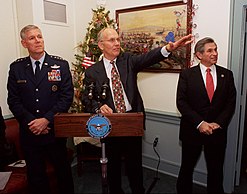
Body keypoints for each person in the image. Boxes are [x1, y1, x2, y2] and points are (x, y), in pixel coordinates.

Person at [82, 27, 193, 194]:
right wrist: (98, 107)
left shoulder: (128, 60)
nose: (117, 43)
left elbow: (148, 58)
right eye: (112, 40)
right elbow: (86, 98)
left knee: (134, 164)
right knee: (113, 166)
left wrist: (168, 48)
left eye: (118, 39)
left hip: (132, 120)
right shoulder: (92, 71)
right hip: (110, 123)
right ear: (100, 45)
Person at [7, 25, 74, 194]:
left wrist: (45, 120)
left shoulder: (60, 65)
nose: (37, 41)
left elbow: (66, 97)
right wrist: (33, 123)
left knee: (63, 173)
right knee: (36, 176)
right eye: (32, 38)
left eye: (39, 36)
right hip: (30, 133)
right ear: (24, 43)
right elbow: (13, 100)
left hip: (54, 131)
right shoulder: (17, 68)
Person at [176, 37, 236, 194]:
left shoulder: (227, 75)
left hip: (217, 132)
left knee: (216, 171)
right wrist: (200, 123)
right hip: (192, 131)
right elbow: (181, 103)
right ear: (199, 55)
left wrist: (218, 123)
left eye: (215, 49)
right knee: (187, 169)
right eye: (210, 50)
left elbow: (230, 103)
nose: (215, 53)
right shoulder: (187, 74)